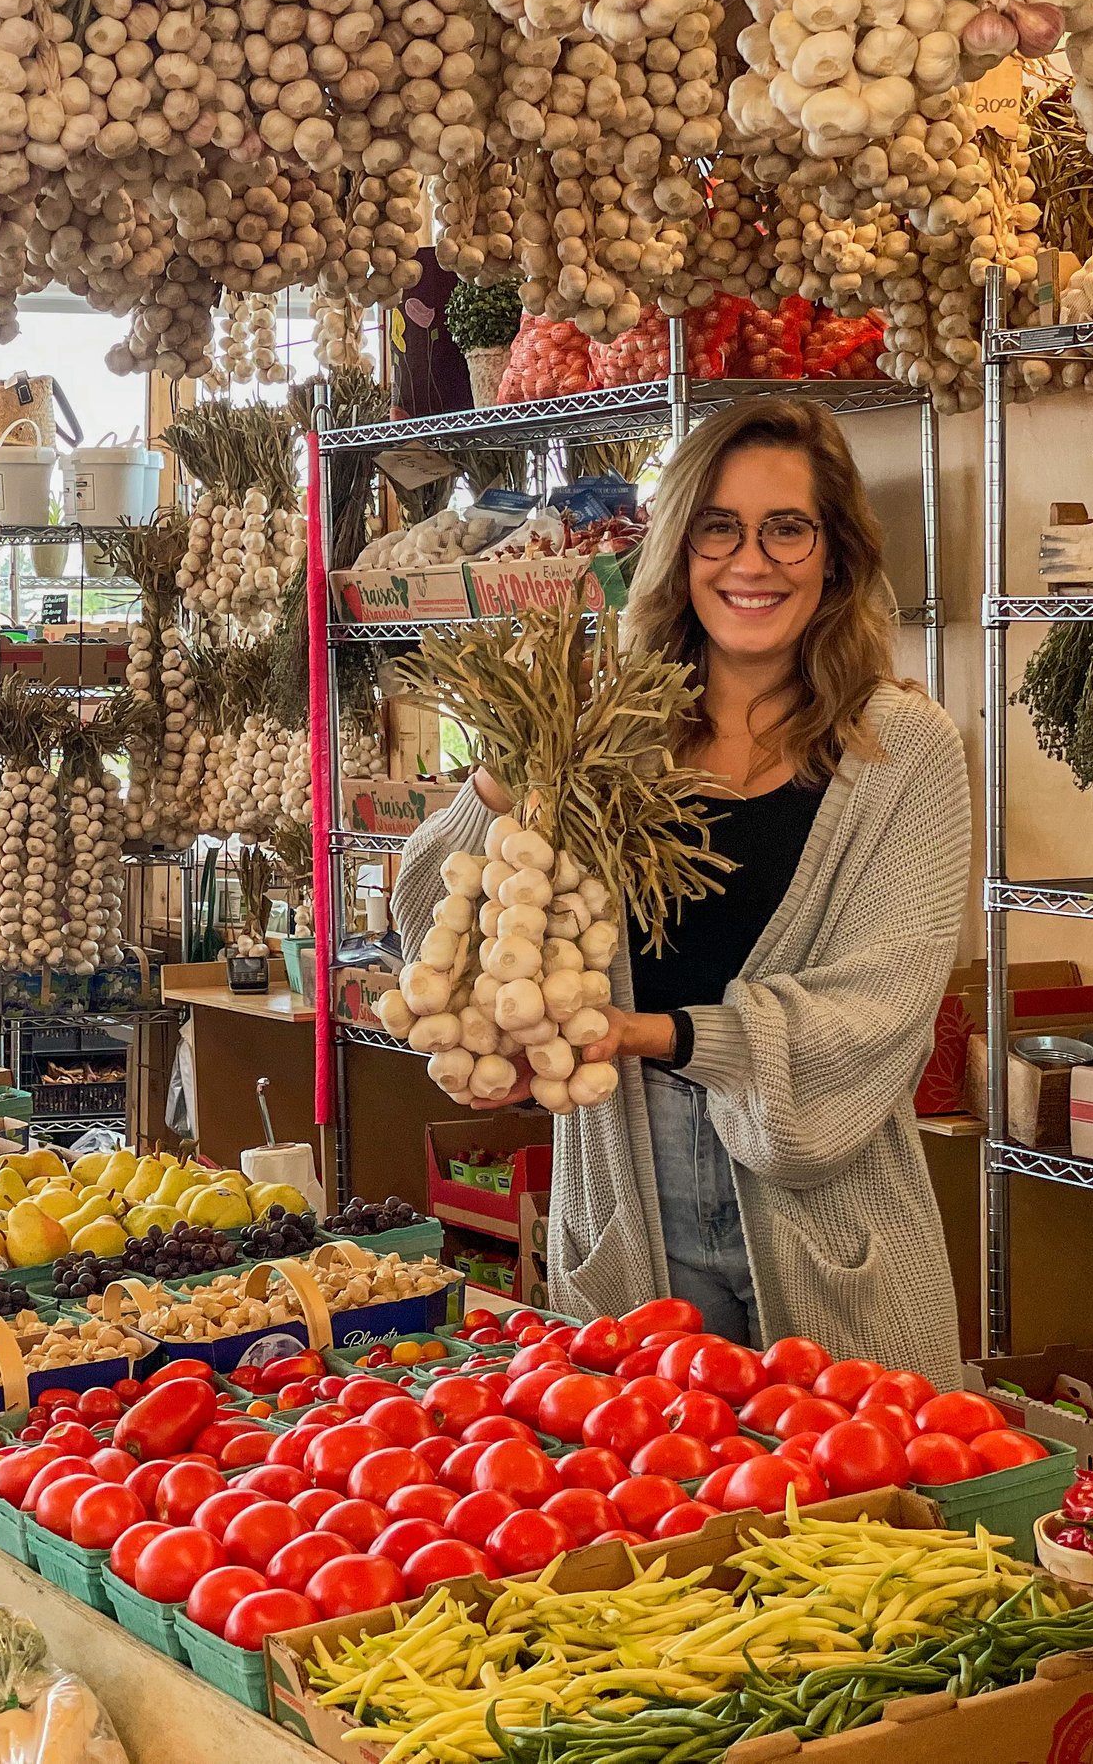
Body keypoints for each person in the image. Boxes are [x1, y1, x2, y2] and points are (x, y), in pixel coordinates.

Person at [392, 398, 970, 1381]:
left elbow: (884, 1004)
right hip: (624, 1180)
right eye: (719, 528)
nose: (752, 563)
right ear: (679, 549)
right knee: (649, 1498)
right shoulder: (610, 728)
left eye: (787, 528)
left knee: (858, 1508)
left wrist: (656, 1035)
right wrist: (501, 775)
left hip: (824, 1203)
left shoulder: (905, 750)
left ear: (834, 553)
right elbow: (428, 924)